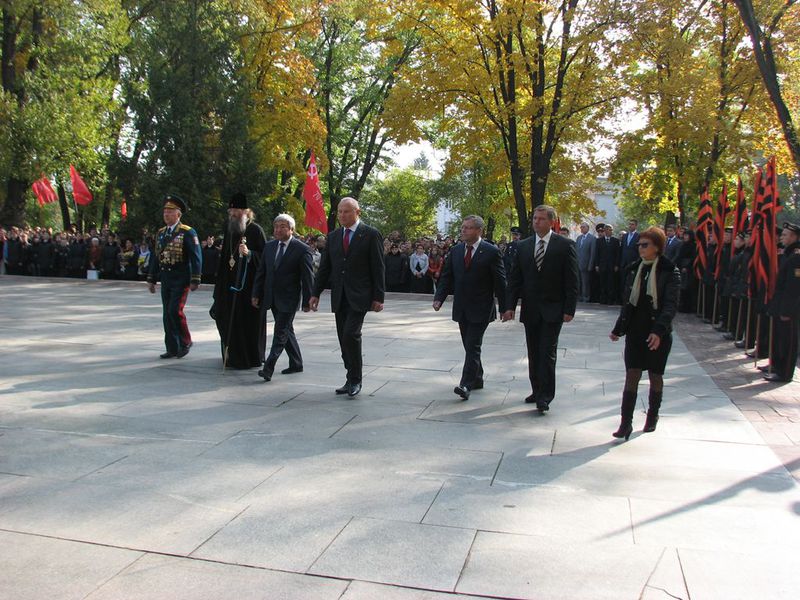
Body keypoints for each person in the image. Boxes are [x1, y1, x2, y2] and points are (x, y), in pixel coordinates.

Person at [309, 197, 385, 398]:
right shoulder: (333, 236)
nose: (342, 215)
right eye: (340, 212)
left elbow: (378, 267)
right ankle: (350, 376)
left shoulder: (370, 234)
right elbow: (325, 268)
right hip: (339, 295)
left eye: (347, 212)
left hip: (360, 295)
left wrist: (379, 297)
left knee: (351, 334)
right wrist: (315, 293)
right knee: (343, 338)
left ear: (357, 212)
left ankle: (356, 379)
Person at [505, 205, 579, 413]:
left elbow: (572, 280)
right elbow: (515, 278)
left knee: (547, 352)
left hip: (554, 308)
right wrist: (509, 306)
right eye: (535, 218)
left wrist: (569, 309)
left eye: (541, 219)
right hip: (531, 309)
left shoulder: (564, 245)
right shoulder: (524, 246)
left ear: (551, 222)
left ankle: (545, 395)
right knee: (534, 351)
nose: (536, 222)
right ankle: (536, 389)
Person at [609, 227, 680, 439]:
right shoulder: (634, 269)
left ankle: (652, 415)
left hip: (658, 332)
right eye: (639, 244)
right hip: (636, 331)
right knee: (632, 374)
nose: (640, 248)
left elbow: (670, 305)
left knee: (655, 375)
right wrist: (618, 329)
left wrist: (659, 331)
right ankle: (625, 423)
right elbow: (628, 303)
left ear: (657, 247)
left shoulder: (669, 271)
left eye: (645, 245)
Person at [434, 215, 508, 401]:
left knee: (473, 345)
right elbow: (447, 276)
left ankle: (466, 384)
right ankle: (478, 377)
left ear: (479, 231)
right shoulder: (456, 250)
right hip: (461, 307)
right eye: (463, 227)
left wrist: (506, 307)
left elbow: (500, 281)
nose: (463, 230)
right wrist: (439, 298)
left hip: (482, 307)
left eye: (468, 227)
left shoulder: (491, 251)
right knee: (469, 345)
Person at [252, 213, 314, 380]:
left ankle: (268, 368)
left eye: (282, 227)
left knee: (280, 332)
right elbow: (261, 272)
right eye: (276, 226)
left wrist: (309, 300)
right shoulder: (270, 246)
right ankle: (296, 362)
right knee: (287, 330)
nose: (278, 230)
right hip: (271, 296)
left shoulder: (302, 249)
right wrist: (256, 293)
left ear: (291, 229)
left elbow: (307, 277)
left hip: (289, 298)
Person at [211, 193, 267, 369]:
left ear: (245, 211)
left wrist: (250, 254)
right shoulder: (230, 229)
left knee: (247, 324)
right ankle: (231, 355)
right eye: (231, 210)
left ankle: (248, 357)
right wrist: (218, 289)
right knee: (225, 318)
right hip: (228, 287)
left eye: (236, 210)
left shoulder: (255, 230)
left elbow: (265, 259)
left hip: (248, 288)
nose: (232, 213)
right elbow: (224, 261)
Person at [147, 194, 202, 359]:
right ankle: (172, 347)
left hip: (181, 277)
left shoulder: (188, 232)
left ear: (178, 214)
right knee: (166, 313)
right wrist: (151, 278)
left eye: (170, 212)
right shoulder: (161, 233)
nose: (166, 215)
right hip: (166, 277)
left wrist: (195, 278)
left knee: (174, 310)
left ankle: (185, 341)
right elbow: (156, 256)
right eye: (165, 212)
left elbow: (196, 256)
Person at [764, 222, 800, 382]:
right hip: (781, 303)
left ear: (794, 237)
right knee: (779, 338)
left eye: (785, 235)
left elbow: (794, 287)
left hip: (790, 308)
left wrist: (787, 310)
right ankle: (777, 367)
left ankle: (785, 373)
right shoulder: (788, 254)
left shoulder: (796, 257)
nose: (782, 237)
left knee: (788, 340)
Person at [594, 224, 621, 304]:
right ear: (605, 231)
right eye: (608, 230)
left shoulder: (615, 241)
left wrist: (616, 265)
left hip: (612, 266)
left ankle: (610, 300)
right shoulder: (599, 241)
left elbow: (617, 254)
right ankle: (603, 299)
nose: (610, 231)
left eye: (611, 230)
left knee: (611, 283)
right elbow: (597, 254)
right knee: (602, 283)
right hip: (602, 265)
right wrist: (597, 265)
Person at [575, 222, 596, 302]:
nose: (582, 229)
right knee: (578, 281)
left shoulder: (592, 238)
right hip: (577, 264)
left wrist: (590, 265)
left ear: (588, 228)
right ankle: (579, 297)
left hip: (586, 264)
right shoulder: (579, 238)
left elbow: (592, 253)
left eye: (583, 227)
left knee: (585, 282)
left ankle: (586, 297)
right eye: (581, 227)